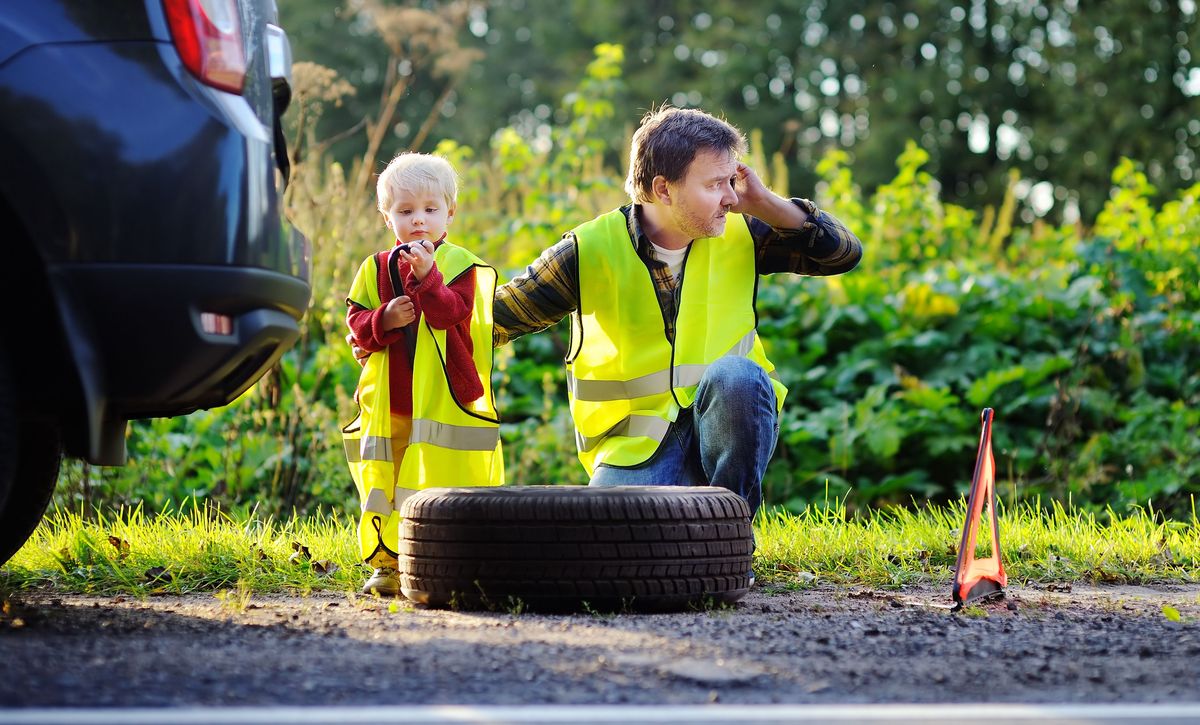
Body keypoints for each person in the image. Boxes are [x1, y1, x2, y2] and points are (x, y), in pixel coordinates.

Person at [492, 106, 863, 574]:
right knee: (613, 561)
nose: (729, 197)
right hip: (634, 448)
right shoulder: (588, 250)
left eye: (732, 181)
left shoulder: (743, 229)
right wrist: (394, 319)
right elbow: (494, 319)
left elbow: (843, 254)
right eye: (714, 185)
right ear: (663, 188)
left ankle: (729, 542)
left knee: (738, 376)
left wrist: (766, 202)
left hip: (724, 424)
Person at [343, 152, 503, 597]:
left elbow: (452, 313)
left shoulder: (459, 265)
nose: (418, 221)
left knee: (438, 483)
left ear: (449, 212)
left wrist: (429, 276)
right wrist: (383, 320)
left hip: (443, 400)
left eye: (430, 210)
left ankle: (444, 560)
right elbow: (356, 327)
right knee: (386, 485)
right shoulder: (373, 269)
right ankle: (386, 564)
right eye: (405, 211)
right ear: (386, 216)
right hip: (389, 403)